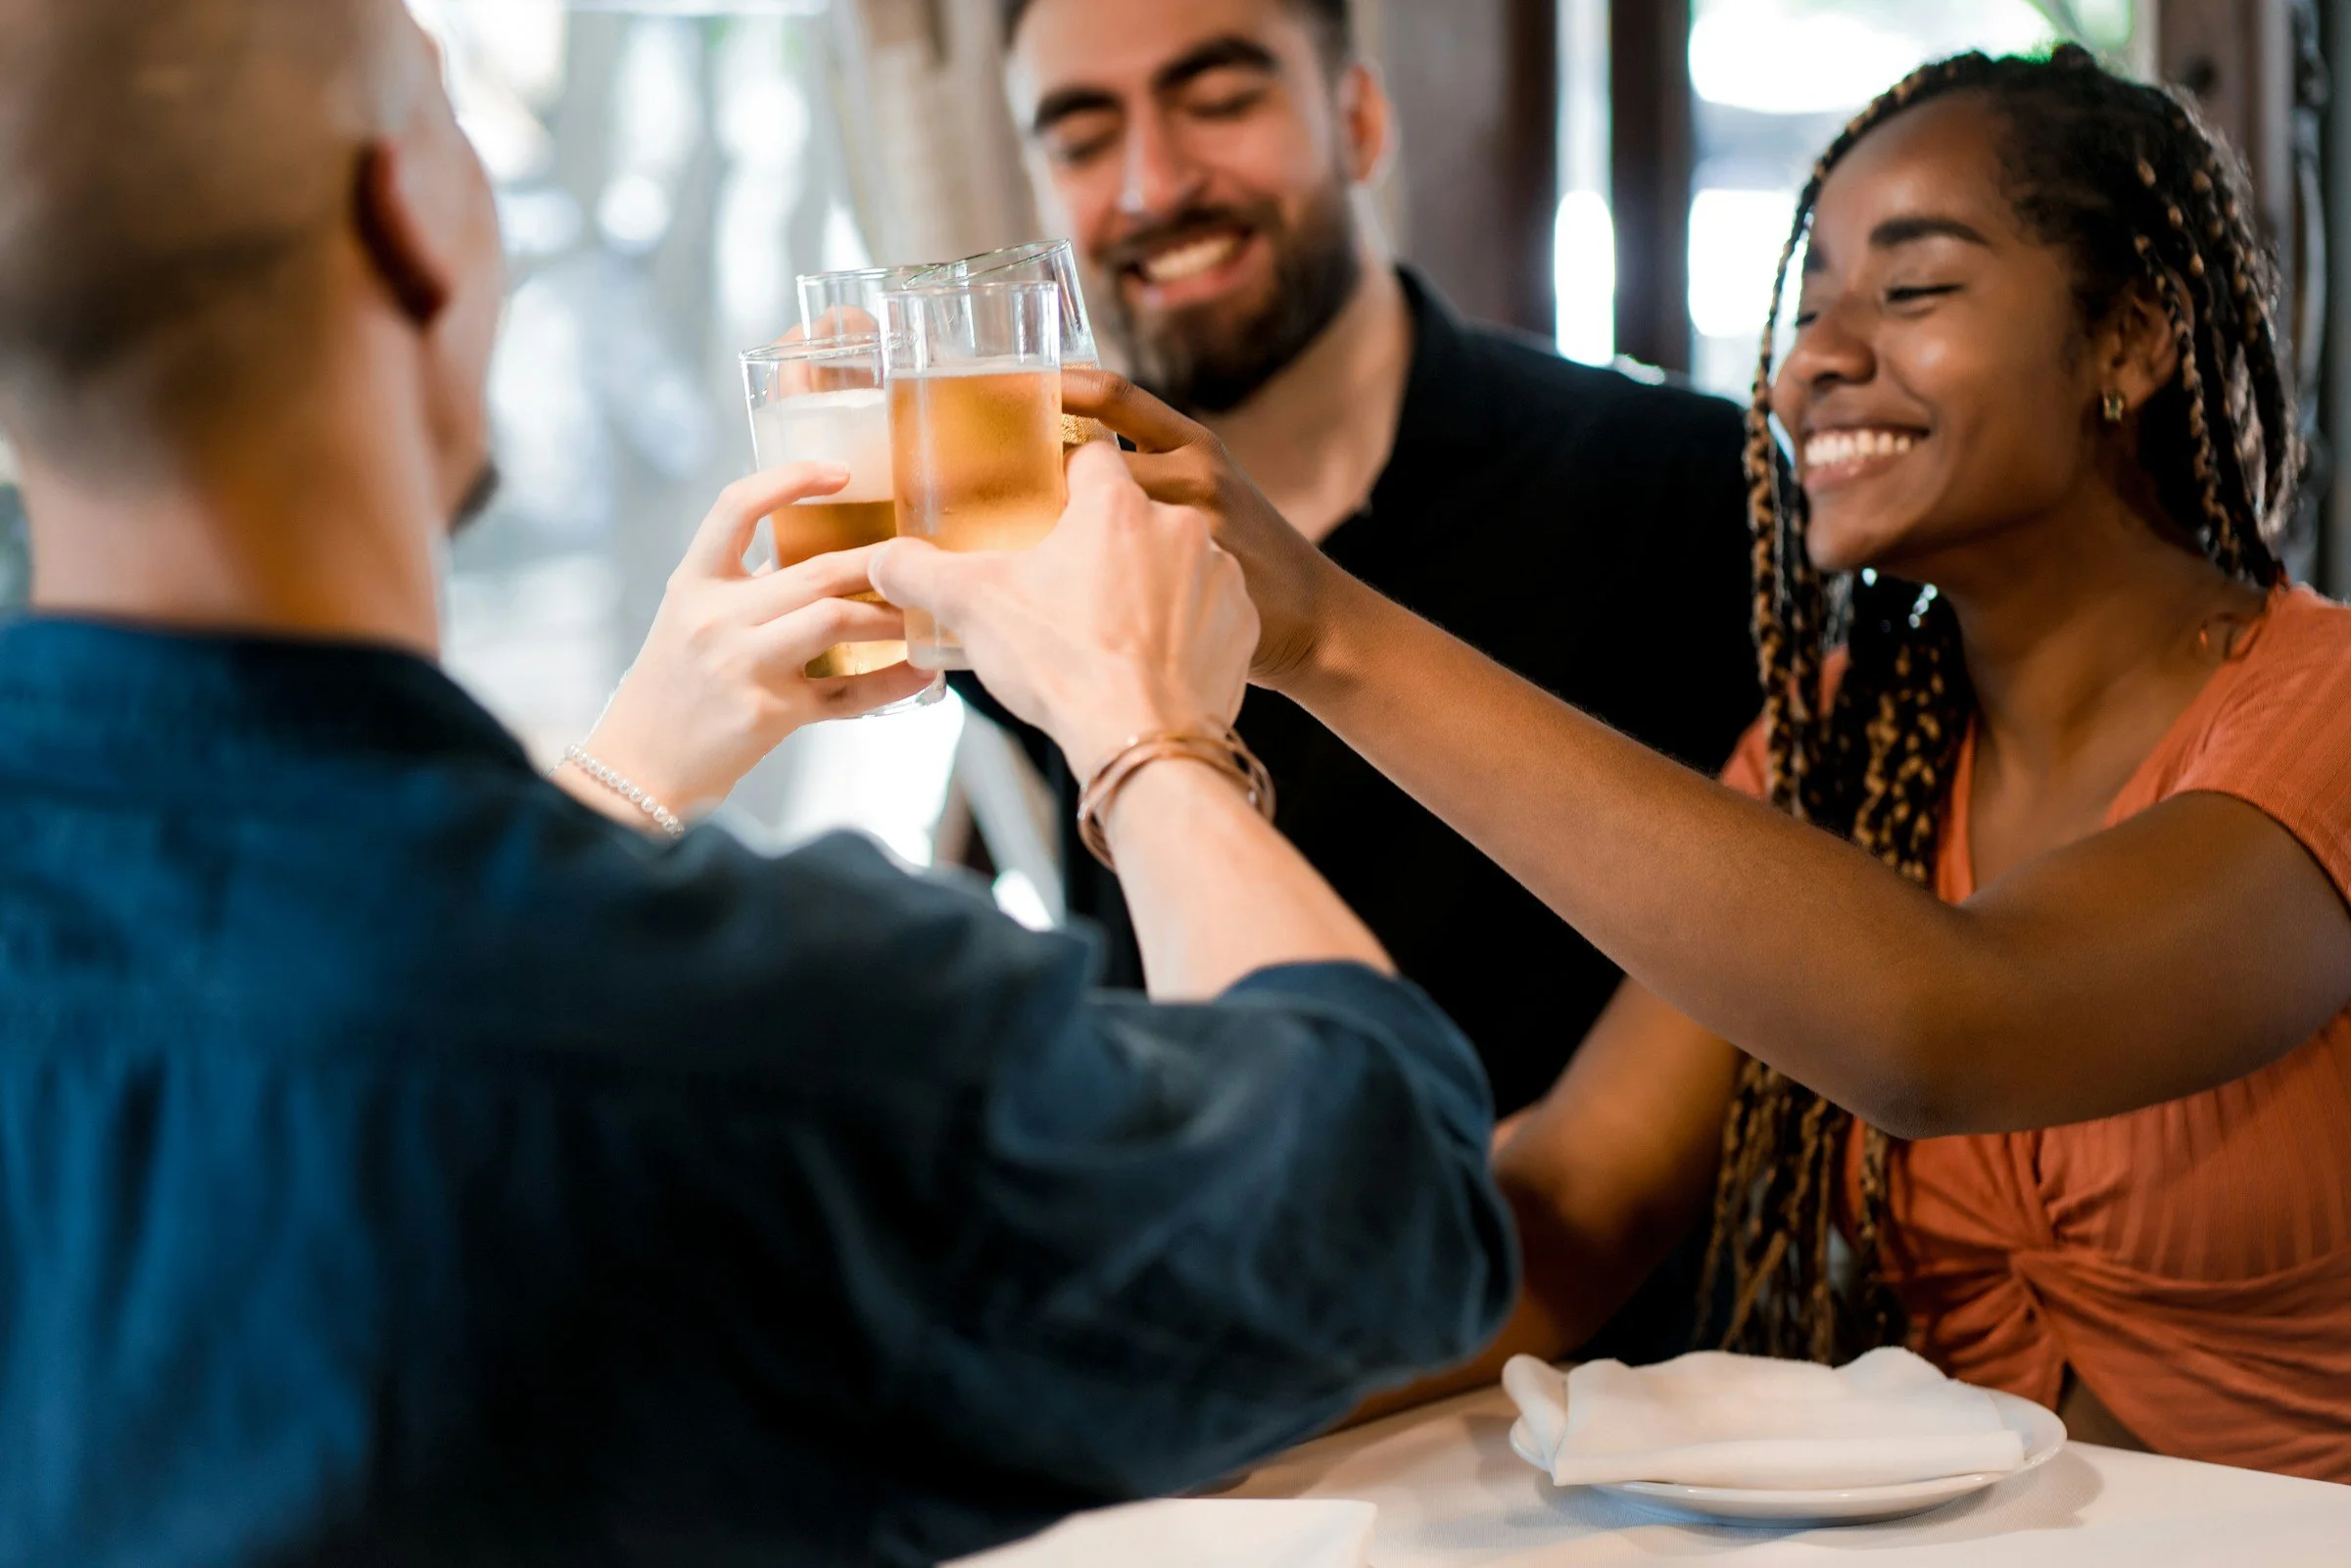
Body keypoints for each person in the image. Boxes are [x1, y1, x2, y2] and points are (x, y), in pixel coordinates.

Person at [0, 4, 1515, 1563]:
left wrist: (632, 763)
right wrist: (1146, 734)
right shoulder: (759, 1032)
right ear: (407, 218)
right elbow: (1380, 1211)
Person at [1055, 47, 2351, 1480]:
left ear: (2133, 339)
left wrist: (1327, 632)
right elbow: (1575, 1199)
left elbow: (1951, 1026)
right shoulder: (1841, 750)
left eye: (1911, 291)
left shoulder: (2328, 713)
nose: (1817, 361)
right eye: (1809, 311)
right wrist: (1094, 1378)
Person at [984, 0, 1760, 1124]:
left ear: (1355, 119)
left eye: (1219, 102)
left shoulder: (1682, 486)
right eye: (1083, 138)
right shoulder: (1042, 533)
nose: (1153, 184)